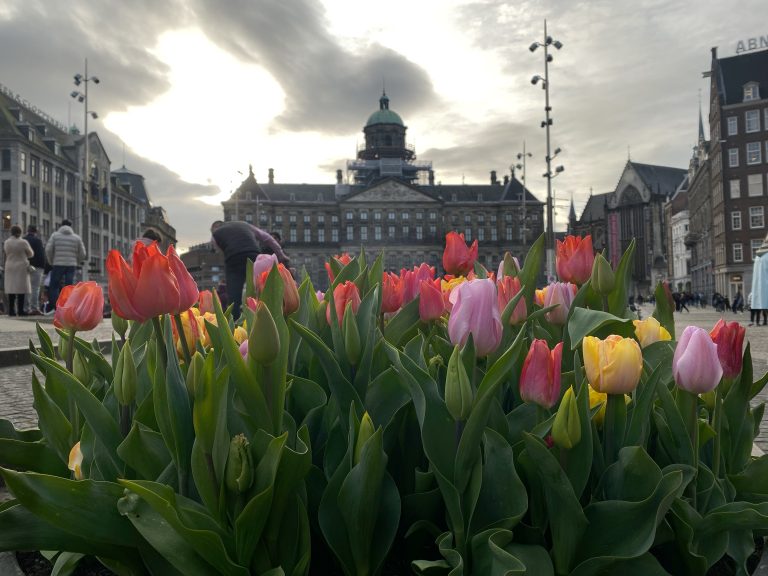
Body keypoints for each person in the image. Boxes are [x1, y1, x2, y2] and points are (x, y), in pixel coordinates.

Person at [210, 220, 289, 318]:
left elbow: (220, 251)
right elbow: (267, 238)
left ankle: (235, 324)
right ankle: (270, 315)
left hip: (233, 259)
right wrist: (281, 255)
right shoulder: (244, 224)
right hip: (253, 255)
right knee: (262, 288)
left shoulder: (215, 235)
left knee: (233, 297)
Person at [45, 219, 86, 311]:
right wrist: (77, 261)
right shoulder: (76, 238)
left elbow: (48, 249)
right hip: (71, 265)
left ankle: (56, 306)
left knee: (54, 285)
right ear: (71, 226)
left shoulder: (55, 236)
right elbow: (83, 253)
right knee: (69, 286)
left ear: (61, 225)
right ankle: (68, 306)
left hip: (58, 263)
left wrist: (51, 261)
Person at [3, 225, 34, 316]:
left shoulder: (7, 242)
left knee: (11, 289)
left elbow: (6, 252)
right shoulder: (23, 242)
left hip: (10, 265)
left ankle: (11, 311)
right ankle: (21, 310)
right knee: (21, 289)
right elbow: (31, 254)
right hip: (21, 266)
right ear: (20, 232)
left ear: (11, 232)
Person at [23, 225, 45, 314]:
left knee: (25, 288)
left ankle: (25, 308)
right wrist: (43, 267)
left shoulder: (23, 240)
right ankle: (34, 307)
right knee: (35, 288)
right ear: (35, 232)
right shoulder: (38, 241)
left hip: (25, 266)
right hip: (37, 267)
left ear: (27, 231)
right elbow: (41, 255)